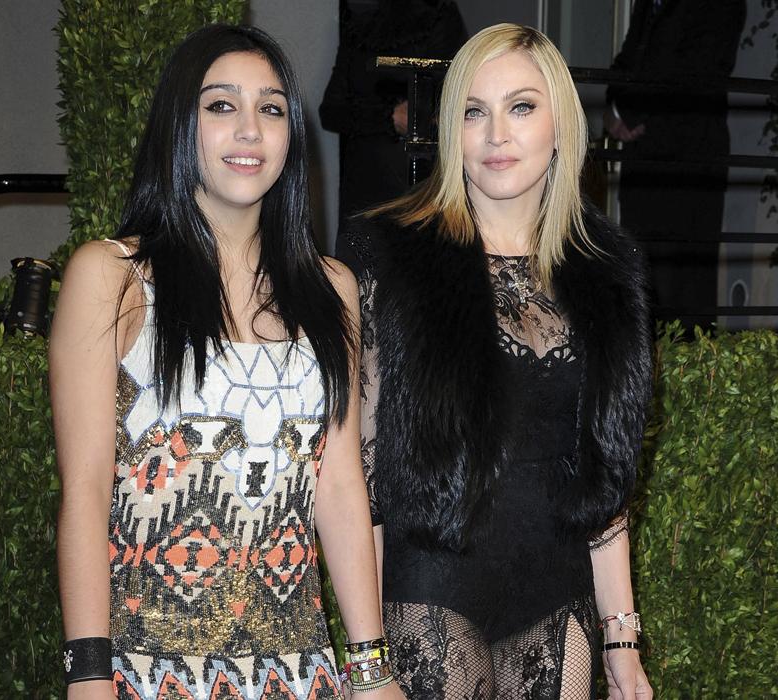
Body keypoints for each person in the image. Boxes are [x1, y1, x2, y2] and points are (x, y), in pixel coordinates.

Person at [49, 24, 404, 700]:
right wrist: (88, 673)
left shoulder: (332, 289)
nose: (249, 129)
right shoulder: (112, 278)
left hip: (297, 673)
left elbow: (338, 488)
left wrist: (369, 670)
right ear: (179, 126)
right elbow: (85, 489)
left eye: (271, 108)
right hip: (146, 671)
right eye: (221, 105)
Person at [338, 24, 654, 699]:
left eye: (521, 107)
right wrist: (366, 658)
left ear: (560, 126)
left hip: (558, 593)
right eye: (474, 112)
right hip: (429, 588)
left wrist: (621, 637)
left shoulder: (608, 269)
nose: (495, 135)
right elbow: (358, 479)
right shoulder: (389, 255)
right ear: (451, 130)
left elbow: (606, 471)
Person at [604, 0, 747, 331]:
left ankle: (684, 361)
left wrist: (630, 112)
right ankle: (643, 357)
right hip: (644, 161)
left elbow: (695, 68)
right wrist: (614, 109)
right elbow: (630, 56)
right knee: (641, 276)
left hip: (688, 161)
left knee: (685, 286)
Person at [319, 0, 467, 273]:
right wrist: (388, 116)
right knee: (361, 275)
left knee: (423, 275)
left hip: (421, 180)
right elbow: (330, 111)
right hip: (365, 183)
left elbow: (459, 96)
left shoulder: (438, 11)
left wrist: (421, 116)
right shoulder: (358, 17)